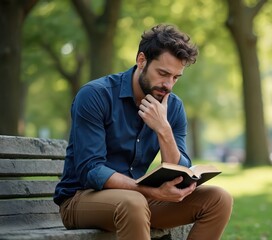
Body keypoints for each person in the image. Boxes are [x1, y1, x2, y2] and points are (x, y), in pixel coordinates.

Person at [54, 24, 233, 240]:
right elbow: (91, 170)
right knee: (134, 202)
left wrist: (164, 130)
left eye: (176, 77)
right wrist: (148, 191)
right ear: (141, 61)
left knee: (218, 199)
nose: (168, 85)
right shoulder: (95, 96)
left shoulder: (173, 107)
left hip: (137, 199)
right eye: (163, 73)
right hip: (81, 200)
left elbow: (180, 172)